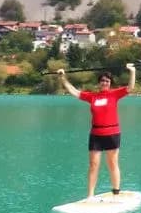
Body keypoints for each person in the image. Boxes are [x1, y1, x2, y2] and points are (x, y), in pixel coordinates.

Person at [58, 63, 136, 200]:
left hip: (112, 133)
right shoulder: (92, 97)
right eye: (102, 81)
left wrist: (132, 71)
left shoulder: (114, 94)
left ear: (110, 83)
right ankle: (90, 195)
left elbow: (130, 87)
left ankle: (116, 192)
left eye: (107, 81)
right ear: (99, 83)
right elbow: (74, 92)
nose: (104, 83)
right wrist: (63, 78)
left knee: (112, 163)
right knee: (93, 165)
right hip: (96, 135)